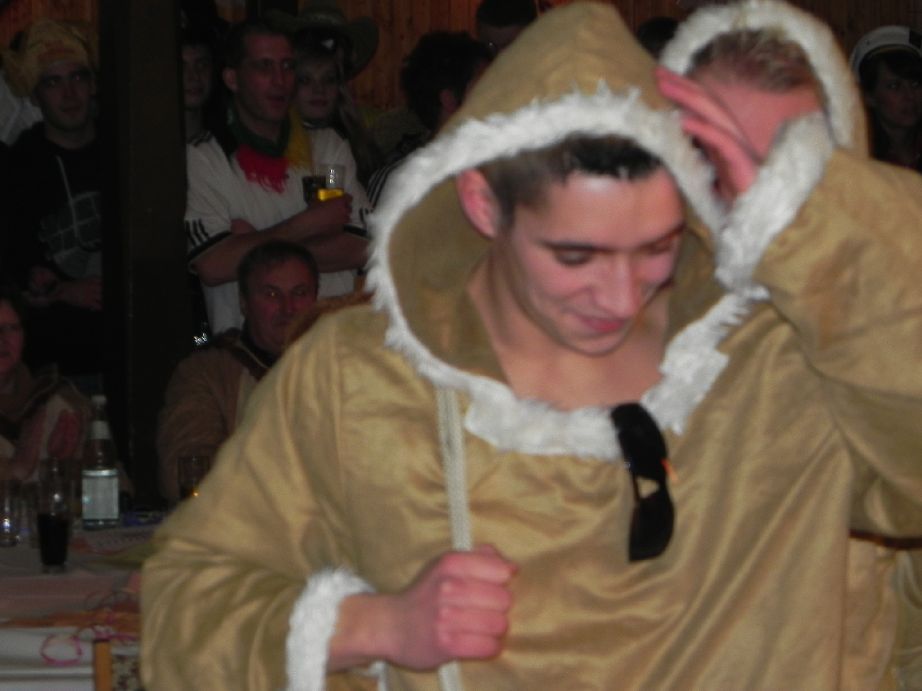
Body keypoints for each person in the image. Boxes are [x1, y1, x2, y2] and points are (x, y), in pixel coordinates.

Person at [141, 3, 922, 690]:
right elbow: (186, 604)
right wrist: (370, 626)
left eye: (656, 248)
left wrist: (813, 207)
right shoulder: (359, 378)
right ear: (483, 202)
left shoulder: (776, 358)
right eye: (575, 256)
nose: (620, 298)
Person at [185, 18, 367, 336]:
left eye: (287, 66)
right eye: (264, 67)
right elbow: (212, 266)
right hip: (249, 353)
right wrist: (308, 225)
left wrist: (253, 246)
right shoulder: (205, 157)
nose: (280, 80)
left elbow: (361, 247)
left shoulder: (328, 150)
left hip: (329, 346)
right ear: (232, 78)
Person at [157, 241, 319, 505]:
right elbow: (182, 471)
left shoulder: (346, 369)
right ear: (244, 303)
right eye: (271, 294)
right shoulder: (206, 373)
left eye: (299, 293)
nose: (288, 308)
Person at [3, 20, 105, 386]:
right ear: (34, 96)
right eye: (52, 82)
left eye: (77, 77)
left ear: (93, 84)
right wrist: (59, 290)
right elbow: (13, 273)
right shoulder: (16, 169)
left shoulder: (125, 151)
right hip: (53, 370)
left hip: (132, 352)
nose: (69, 93)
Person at [366, 32, 491, 206]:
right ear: (450, 100)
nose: (495, 94)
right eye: (484, 87)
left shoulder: (497, 172)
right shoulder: (399, 182)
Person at [0, 285, 88, 484]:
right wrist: (15, 469)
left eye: (12, 328)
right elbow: (20, 469)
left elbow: (115, 483)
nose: (2, 339)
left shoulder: (61, 401)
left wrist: (62, 465)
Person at [293, 40, 373, 226]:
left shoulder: (334, 144)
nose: (319, 90)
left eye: (328, 80)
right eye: (305, 80)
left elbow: (336, 193)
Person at [849, 25, 922, 171]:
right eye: (894, 86)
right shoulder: (856, 160)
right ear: (869, 96)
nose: (909, 96)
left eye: (915, 84)